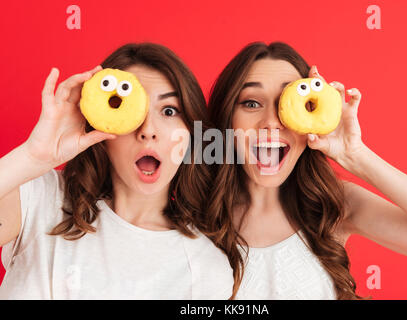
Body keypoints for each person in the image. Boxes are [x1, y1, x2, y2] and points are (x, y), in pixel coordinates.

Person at [205, 41, 407, 299]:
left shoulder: (335, 205)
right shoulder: (193, 214)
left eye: (284, 104)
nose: (271, 122)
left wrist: (356, 156)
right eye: (252, 103)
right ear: (227, 119)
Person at [0, 43, 233, 299]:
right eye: (129, 108)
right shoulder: (42, 198)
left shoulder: (205, 269)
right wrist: (32, 157)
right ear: (99, 125)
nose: (148, 129)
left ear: (190, 132)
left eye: (169, 111)